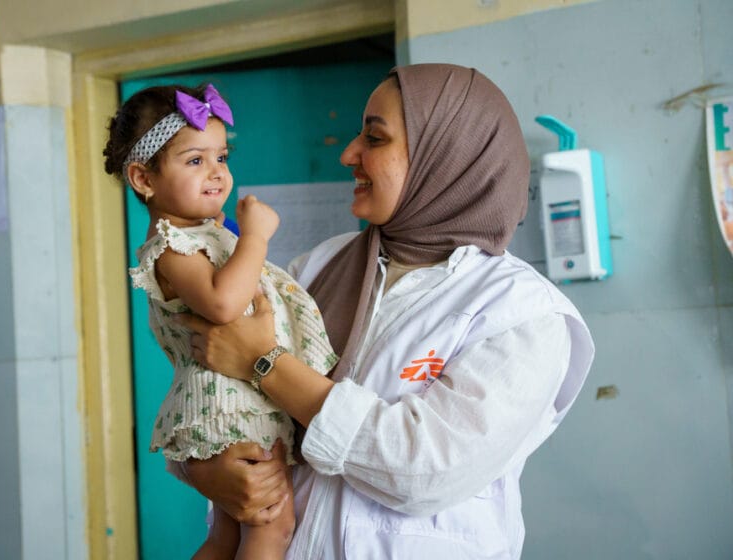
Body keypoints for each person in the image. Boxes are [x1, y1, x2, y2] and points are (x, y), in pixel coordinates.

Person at [177, 64, 595, 559]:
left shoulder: (522, 313)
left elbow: (424, 470)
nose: (348, 154)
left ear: (446, 156)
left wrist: (264, 362)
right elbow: (211, 396)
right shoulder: (317, 267)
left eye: (374, 138)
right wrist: (204, 470)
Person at [102, 83, 338, 559]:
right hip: (228, 402)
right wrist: (255, 237)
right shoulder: (172, 247)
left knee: (226, 537)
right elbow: (224, 304)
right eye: (195, 160)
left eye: (222, 157)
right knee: (272, 524)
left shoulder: (202, 236)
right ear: (143, 179)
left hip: (236, 395)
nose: (216, 173)